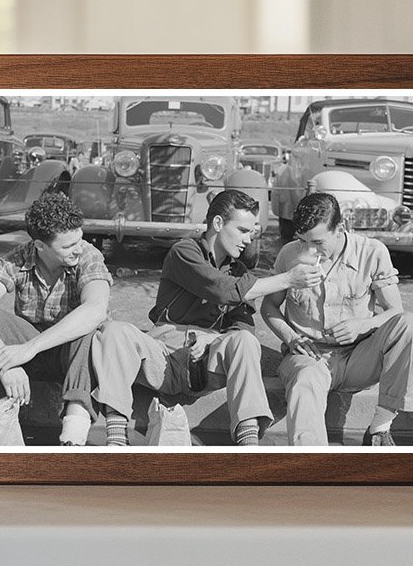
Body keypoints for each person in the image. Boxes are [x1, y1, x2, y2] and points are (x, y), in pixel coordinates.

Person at [93, 189, 321, 447]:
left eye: (251, 232)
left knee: (245, 340)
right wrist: (288, 279)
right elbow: (221, 289)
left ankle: (248, 443)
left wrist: (210, 339)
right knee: (113, 330)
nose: (248, 240)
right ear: (218, 223)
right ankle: (116, 439)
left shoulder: (239, 270)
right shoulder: (184, 252)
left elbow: (242, 324)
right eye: (243, 230)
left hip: (203, 366)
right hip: (162, 354)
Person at [261, 192, 413, 447]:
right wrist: (291, 337)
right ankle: (311, 469)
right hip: (309, 358)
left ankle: (380, 428)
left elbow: (395, 310)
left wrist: (364, 325)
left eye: (317, 242)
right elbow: (269, 307)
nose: (309, 251)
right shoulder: (288, 254)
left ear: (340, 227)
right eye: (302, 241)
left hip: (359, 358)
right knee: (304, 381)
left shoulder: (372, 252)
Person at [0, 191, 111, 446]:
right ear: (40, 246)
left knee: (91, 329)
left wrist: (29, 349)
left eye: (80, 239)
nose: (78, 248)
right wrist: (6, 361)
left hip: (71, 357)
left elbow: (96, 308)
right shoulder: (20, 257)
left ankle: (74, 429)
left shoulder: (88, 255)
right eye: (67, 246)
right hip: (27, 353)